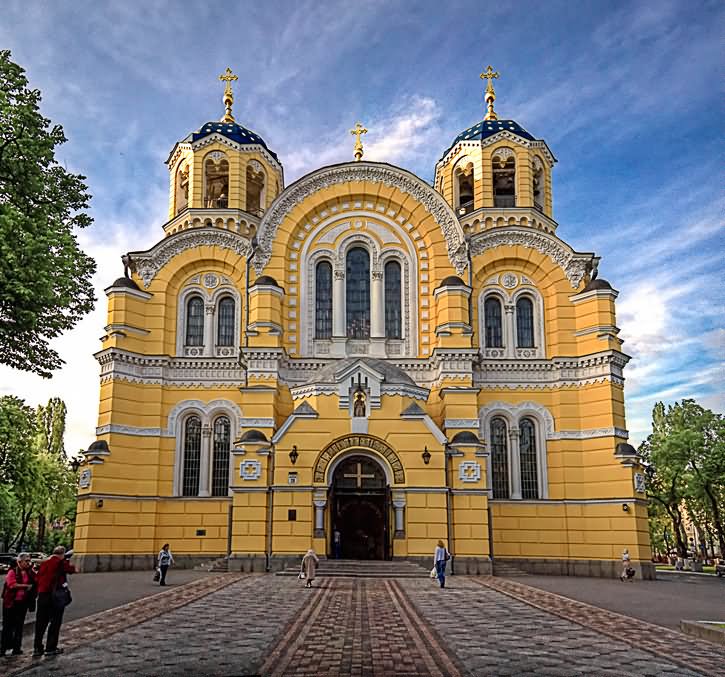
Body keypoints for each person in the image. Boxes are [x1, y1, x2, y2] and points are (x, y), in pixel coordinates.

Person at [33, 546, 75, 657]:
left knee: (40, 623)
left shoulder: (45, 563)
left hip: (42, 596)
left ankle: (37, 648)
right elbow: (72, 570)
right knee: (55, 623)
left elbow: (37, 578)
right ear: (63, 554)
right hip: (55, 596)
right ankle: (50, 648)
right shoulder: (61, 563)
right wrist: (67, 561)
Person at [1, 553, 36, 657]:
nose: (28, 563)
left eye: (29, 561)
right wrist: (26, 586)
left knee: (19, 625)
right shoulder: (12, 571)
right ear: (19, 562)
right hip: (11, 603)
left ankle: (16, 648)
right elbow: (11, 585)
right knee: (8, 626)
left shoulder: (29, 572)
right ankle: (3, 648)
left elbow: (36, 579)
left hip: (22, 602)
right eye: (27, 561)